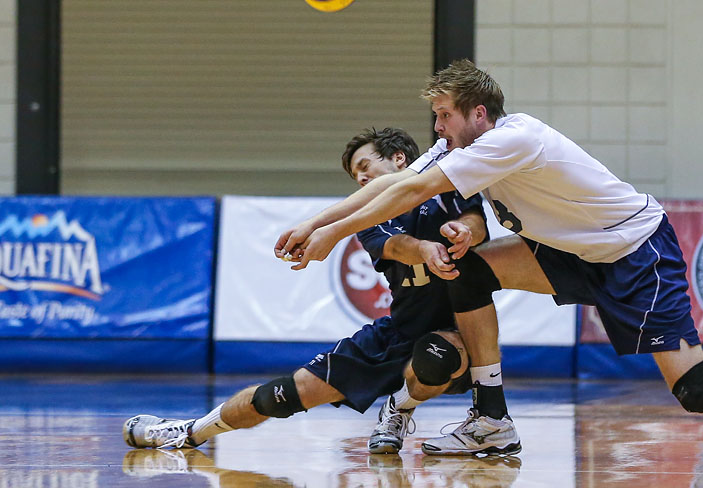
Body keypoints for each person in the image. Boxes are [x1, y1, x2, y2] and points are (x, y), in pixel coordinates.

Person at [277, 59, 703, 462]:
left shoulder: (509, 140)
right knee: (471, 268)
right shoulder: (457, 143)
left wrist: (331, 239)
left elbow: (408, 193)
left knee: (698, 392)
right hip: (572, 252)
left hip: (634, 255)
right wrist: (316, 222)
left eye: (445, 115)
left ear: (478, 114)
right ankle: (491, 418)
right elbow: (386, 188)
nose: (436, 126)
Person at [123, 127, 492, 455]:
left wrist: (465, 232)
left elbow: (476, 220)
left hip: (459, 330)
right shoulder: (367, 218)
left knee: (435, 357)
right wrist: (426, 250)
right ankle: (190, 431)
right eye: (355, 174)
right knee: (281, 395)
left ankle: (398, 407)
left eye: (366, 165)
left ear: (399, 159)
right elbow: (397, 247)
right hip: (397, 332)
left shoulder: (447, 183)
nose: (360, 177)